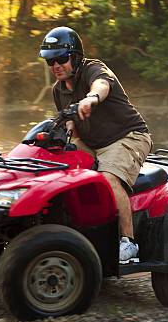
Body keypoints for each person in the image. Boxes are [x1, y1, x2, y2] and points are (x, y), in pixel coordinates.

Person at [39, 26, 152, 262]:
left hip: (127, 136)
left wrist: (91, 98)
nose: (56, 66)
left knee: (108, 178)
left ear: (76, 57)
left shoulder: (94, 69)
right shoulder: (58, 90)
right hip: (92, 143)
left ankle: (128, 243)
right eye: (51, 61)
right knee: (53, 167)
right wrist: (67, 129)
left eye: (61, 58)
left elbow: (102, 85)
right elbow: (71, 123)